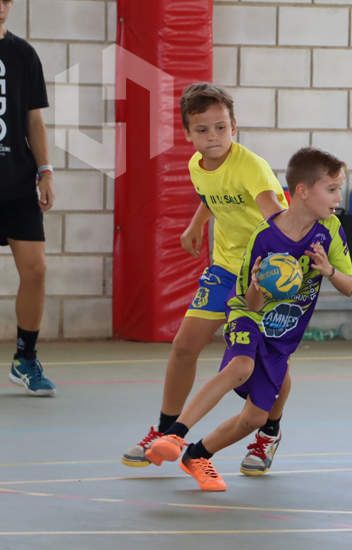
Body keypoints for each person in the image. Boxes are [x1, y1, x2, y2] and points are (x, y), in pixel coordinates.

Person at [144, 147, 352, 491]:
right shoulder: (264, 236)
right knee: (240, 366)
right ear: (302, 191)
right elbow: (249, 301)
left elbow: (350, 288)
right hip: (248, 314)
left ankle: (197, 455)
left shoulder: (330, 231)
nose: (338, 197)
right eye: (331, 189)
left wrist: (328, 270)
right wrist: (260, 285)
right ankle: (175, 435)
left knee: (255, 417)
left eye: (339, 188)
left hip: (282, 332)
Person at [121, 83, 288, 475]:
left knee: (272, 362)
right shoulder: (197, 165)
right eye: (202, 130)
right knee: (184, 346)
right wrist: (196, 224)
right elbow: (211, 194)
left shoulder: (251, 166)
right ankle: (164, 431)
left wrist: (278, 272)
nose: (212, 137)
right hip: (225, 268)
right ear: (187, 133)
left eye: (220, 128)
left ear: (234, 127)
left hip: (263, 277)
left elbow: (277, 217)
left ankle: (268, 434)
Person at [1, 0, 57, 396]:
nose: (1, 7)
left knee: (35, 270)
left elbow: (34, 120)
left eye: (6, 0)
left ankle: (25, 357)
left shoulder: (23, 54)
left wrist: (45, 171)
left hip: (17, 180)